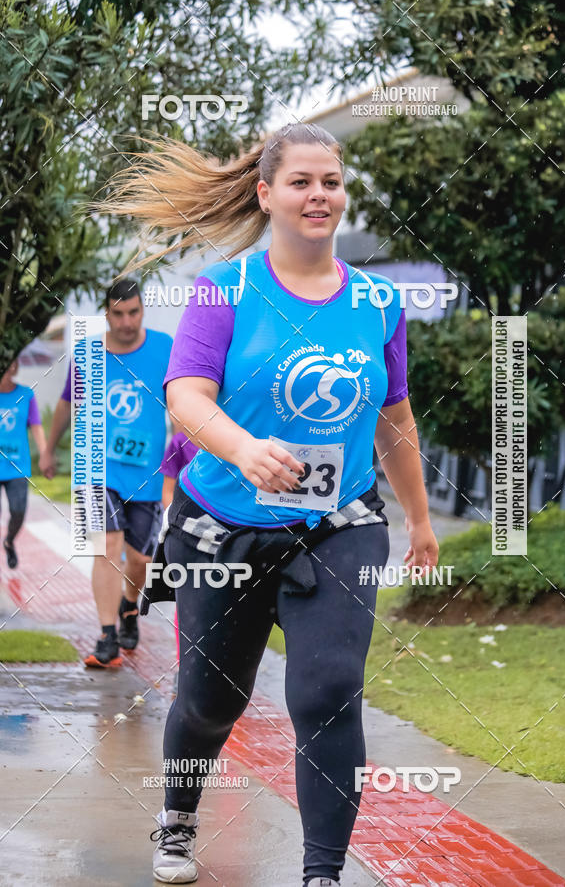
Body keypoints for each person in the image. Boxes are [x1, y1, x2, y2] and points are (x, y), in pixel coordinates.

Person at [97, 123, 439, 886]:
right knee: (212, 700)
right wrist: (242, 449)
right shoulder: (226, 289)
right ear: (267, 194)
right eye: (302, 182)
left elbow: (396, 418)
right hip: (221, 529)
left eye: (332, 181)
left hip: (338, 525)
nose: (320, 195)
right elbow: (184, 394)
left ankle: (322, 873)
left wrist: (417, 519)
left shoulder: (379, 302)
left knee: (327, 689)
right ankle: (179, 818)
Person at [40, 280, 173, 668]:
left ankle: (129, 605)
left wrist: (188, 454)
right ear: (106, 313)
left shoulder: (164, 348)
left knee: (141, 560)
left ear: (143, 310)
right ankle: (107, 636)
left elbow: (183, 405)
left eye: (133, 312)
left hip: (147, 473)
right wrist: (49, 449)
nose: (127, 322)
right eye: (118, 314)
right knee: (107, 546)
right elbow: (67, 403)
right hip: (95, 469)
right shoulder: (87, 352)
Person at [0, 360, 48, 568]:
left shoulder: (26, 395)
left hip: (17, 467)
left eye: (13, 363)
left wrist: (45, 453)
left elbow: (36, 427)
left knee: (18, 511)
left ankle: (9, 541)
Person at [159, 432, 198, 682]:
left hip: (231, 533)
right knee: (187, 599)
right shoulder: (181, 441)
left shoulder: (243, 434)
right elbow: (167, 492)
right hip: (188, 531)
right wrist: (178, 522)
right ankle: (185, 665)